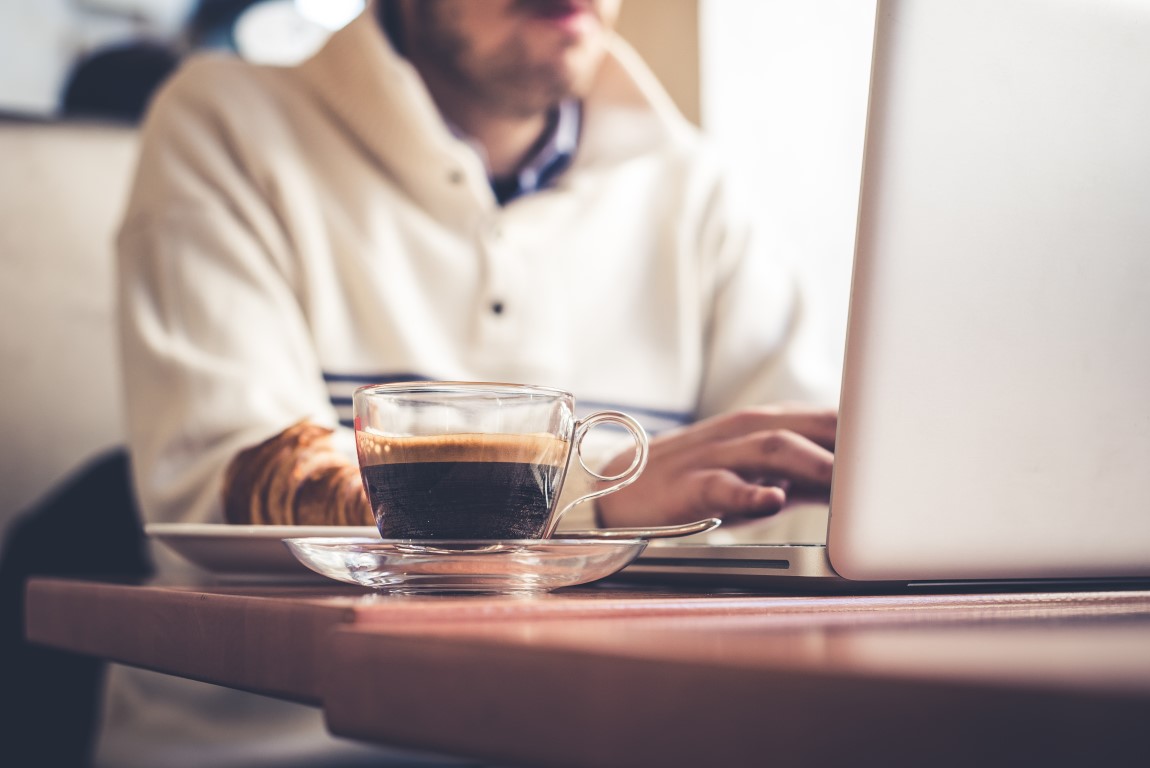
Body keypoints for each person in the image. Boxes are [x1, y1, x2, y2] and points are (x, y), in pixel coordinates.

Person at [107, 0, 837, 764]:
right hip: (289, 741)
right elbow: (228, 481)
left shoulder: (698, 189)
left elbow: (799, 504)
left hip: (624, 731)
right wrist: (597, 505)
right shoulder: (225, 125)